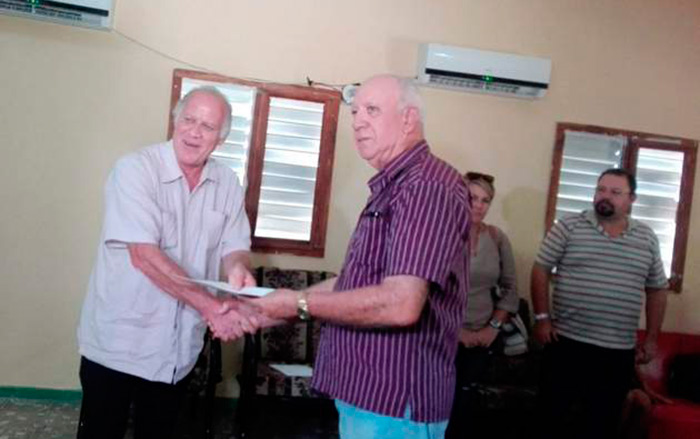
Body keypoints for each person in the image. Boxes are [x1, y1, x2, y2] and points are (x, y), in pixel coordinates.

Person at [250, 74, 470, 439]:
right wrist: (265, 311)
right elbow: (355, 281)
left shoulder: (426, 187)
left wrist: (299, 304)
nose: (357, 122)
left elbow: (401, 305)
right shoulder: (394, 184)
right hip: (368, 396)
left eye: (372, 110)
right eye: (354, 112)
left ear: (408, 119)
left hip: (396, 404)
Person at [76, 86, 260, 439]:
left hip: (177, 352)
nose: (194, 132)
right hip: (119, 343)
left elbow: (234, 245)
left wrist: (237, 267)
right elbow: (145, 256)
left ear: (220, 139)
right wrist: (211, 308)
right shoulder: (134, 170)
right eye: (189, 120)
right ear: (175, 121)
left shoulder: (227, 183)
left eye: (207, 127)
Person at [530, 168, 670, 439]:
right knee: (550, 419)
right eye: (601, 189)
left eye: (615, 192)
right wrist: (542, 318)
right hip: (566, 344)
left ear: (632, 199)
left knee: (601, 424)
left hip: (617, 352)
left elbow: (657, 289)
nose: (605, 196)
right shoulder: (569, 226)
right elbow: (540, 269)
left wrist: (652, 338)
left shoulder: (647, 238)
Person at [446, 172, 520, 439]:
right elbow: (426, 291)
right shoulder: (440, 234)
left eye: (485, 200)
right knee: (441, 398)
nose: (478, 205)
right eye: (472, 198)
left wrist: (492, 328)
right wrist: (456, 332)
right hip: (444, 333)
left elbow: (511, 289)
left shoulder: (497, 238)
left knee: (468, 402)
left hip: (484, 336)